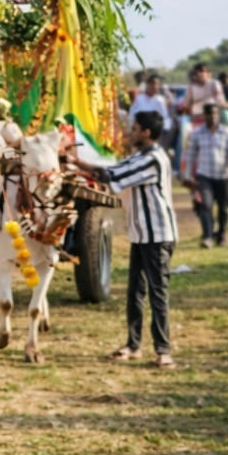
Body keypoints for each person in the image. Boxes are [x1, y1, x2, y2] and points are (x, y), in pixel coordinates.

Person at [81, 110, 177, 367]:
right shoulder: (141, 156)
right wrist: (77, 165)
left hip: (157, 235)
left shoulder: (153, 158)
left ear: (146, 133)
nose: (130, 132)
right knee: (135, 292)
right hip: (142, 235)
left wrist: (75, 162)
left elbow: (111, 175)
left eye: (134, 129)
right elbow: (115, 169)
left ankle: (163, 350)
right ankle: (133, 344)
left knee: (157, 292)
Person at [184, 101, 228, 247]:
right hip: (204, 176)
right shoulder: (197, 133)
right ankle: (207, 236)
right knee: (205, 205)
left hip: (224, 176)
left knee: (223, 207)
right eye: (209, 114)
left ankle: (221, 235)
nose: (212, 117)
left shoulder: (226, 132)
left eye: (215, 113)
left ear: (218, 115)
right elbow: (190, 155)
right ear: (204, 116)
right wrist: (188, 175)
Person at [128, 72, 175, 148]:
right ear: (148, 84)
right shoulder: (139, 99)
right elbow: (132, 116)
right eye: (153, 83)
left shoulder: (160, 101)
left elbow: (165, 118)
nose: (155, 86)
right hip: (140, 133)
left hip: (153, 136)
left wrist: (163, 133)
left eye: (157, 84)